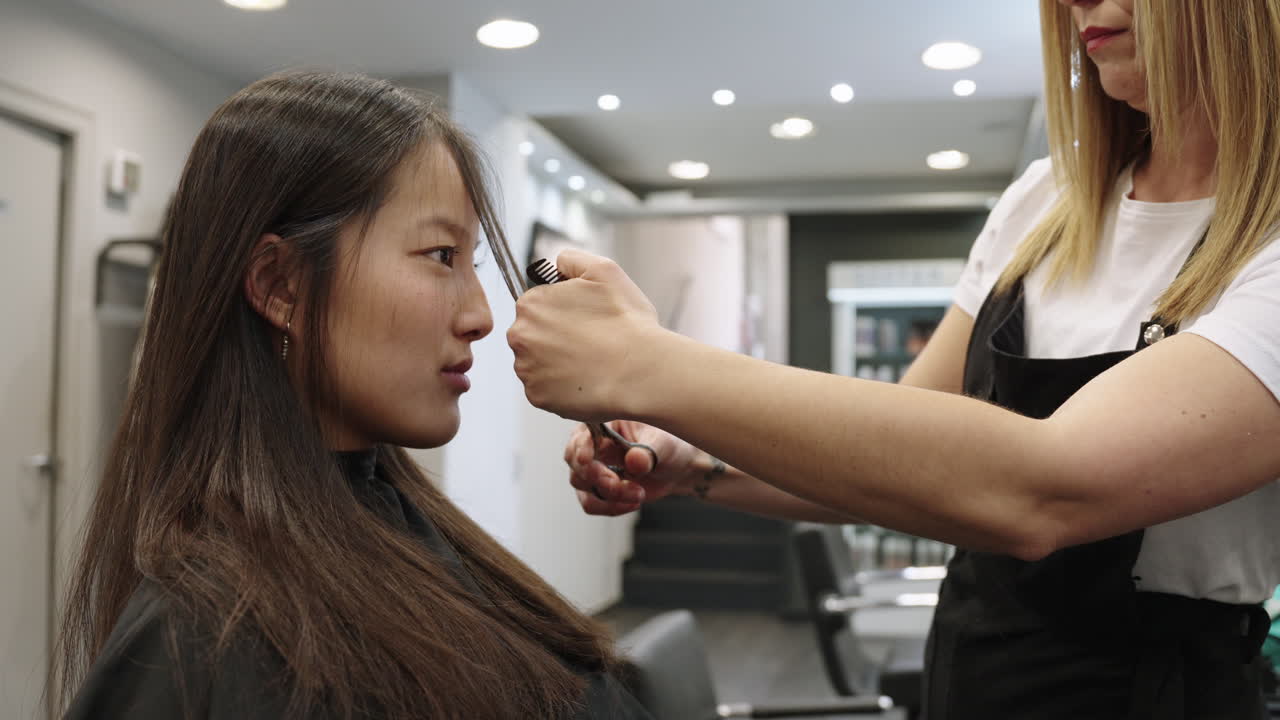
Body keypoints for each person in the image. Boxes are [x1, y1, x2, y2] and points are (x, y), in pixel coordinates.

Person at [507, 1, 1280, 717]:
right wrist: (698, 466)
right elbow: (901, 463)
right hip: (972, 673)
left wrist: (651, 366)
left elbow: (1048, 490)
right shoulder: (1046, 204)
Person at [54, 71, 651, 720]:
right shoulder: (206, 629)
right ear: (280, 285)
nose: (482, 316)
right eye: (440, 255)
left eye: (471, 261)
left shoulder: (399, 533)